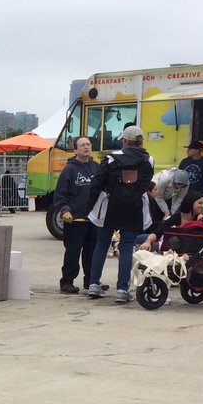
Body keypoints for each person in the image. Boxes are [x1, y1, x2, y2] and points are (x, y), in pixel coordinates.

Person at [86, 124, 154, 302]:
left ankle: (94, 284)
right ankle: (122, 290)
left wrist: (90, 204)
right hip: (133, 206)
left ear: (125, 141)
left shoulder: (110, 159)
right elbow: (145, 184)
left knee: (102, 243)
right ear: (140, 142)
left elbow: (98, 182)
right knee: (126, 246)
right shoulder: (148, 160)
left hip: (110, 205)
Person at [54, 136, 100, 294]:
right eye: (82, 145)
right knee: (73, 252)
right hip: (75, 219)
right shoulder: (69, 169)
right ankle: (67, 282)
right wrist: (65, 210)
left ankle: (91, 281)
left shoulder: (97, 167)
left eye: (88, 144)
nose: (86, 147)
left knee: (92, 252)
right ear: (75, 150)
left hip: (93, 218)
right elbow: (60, 194)